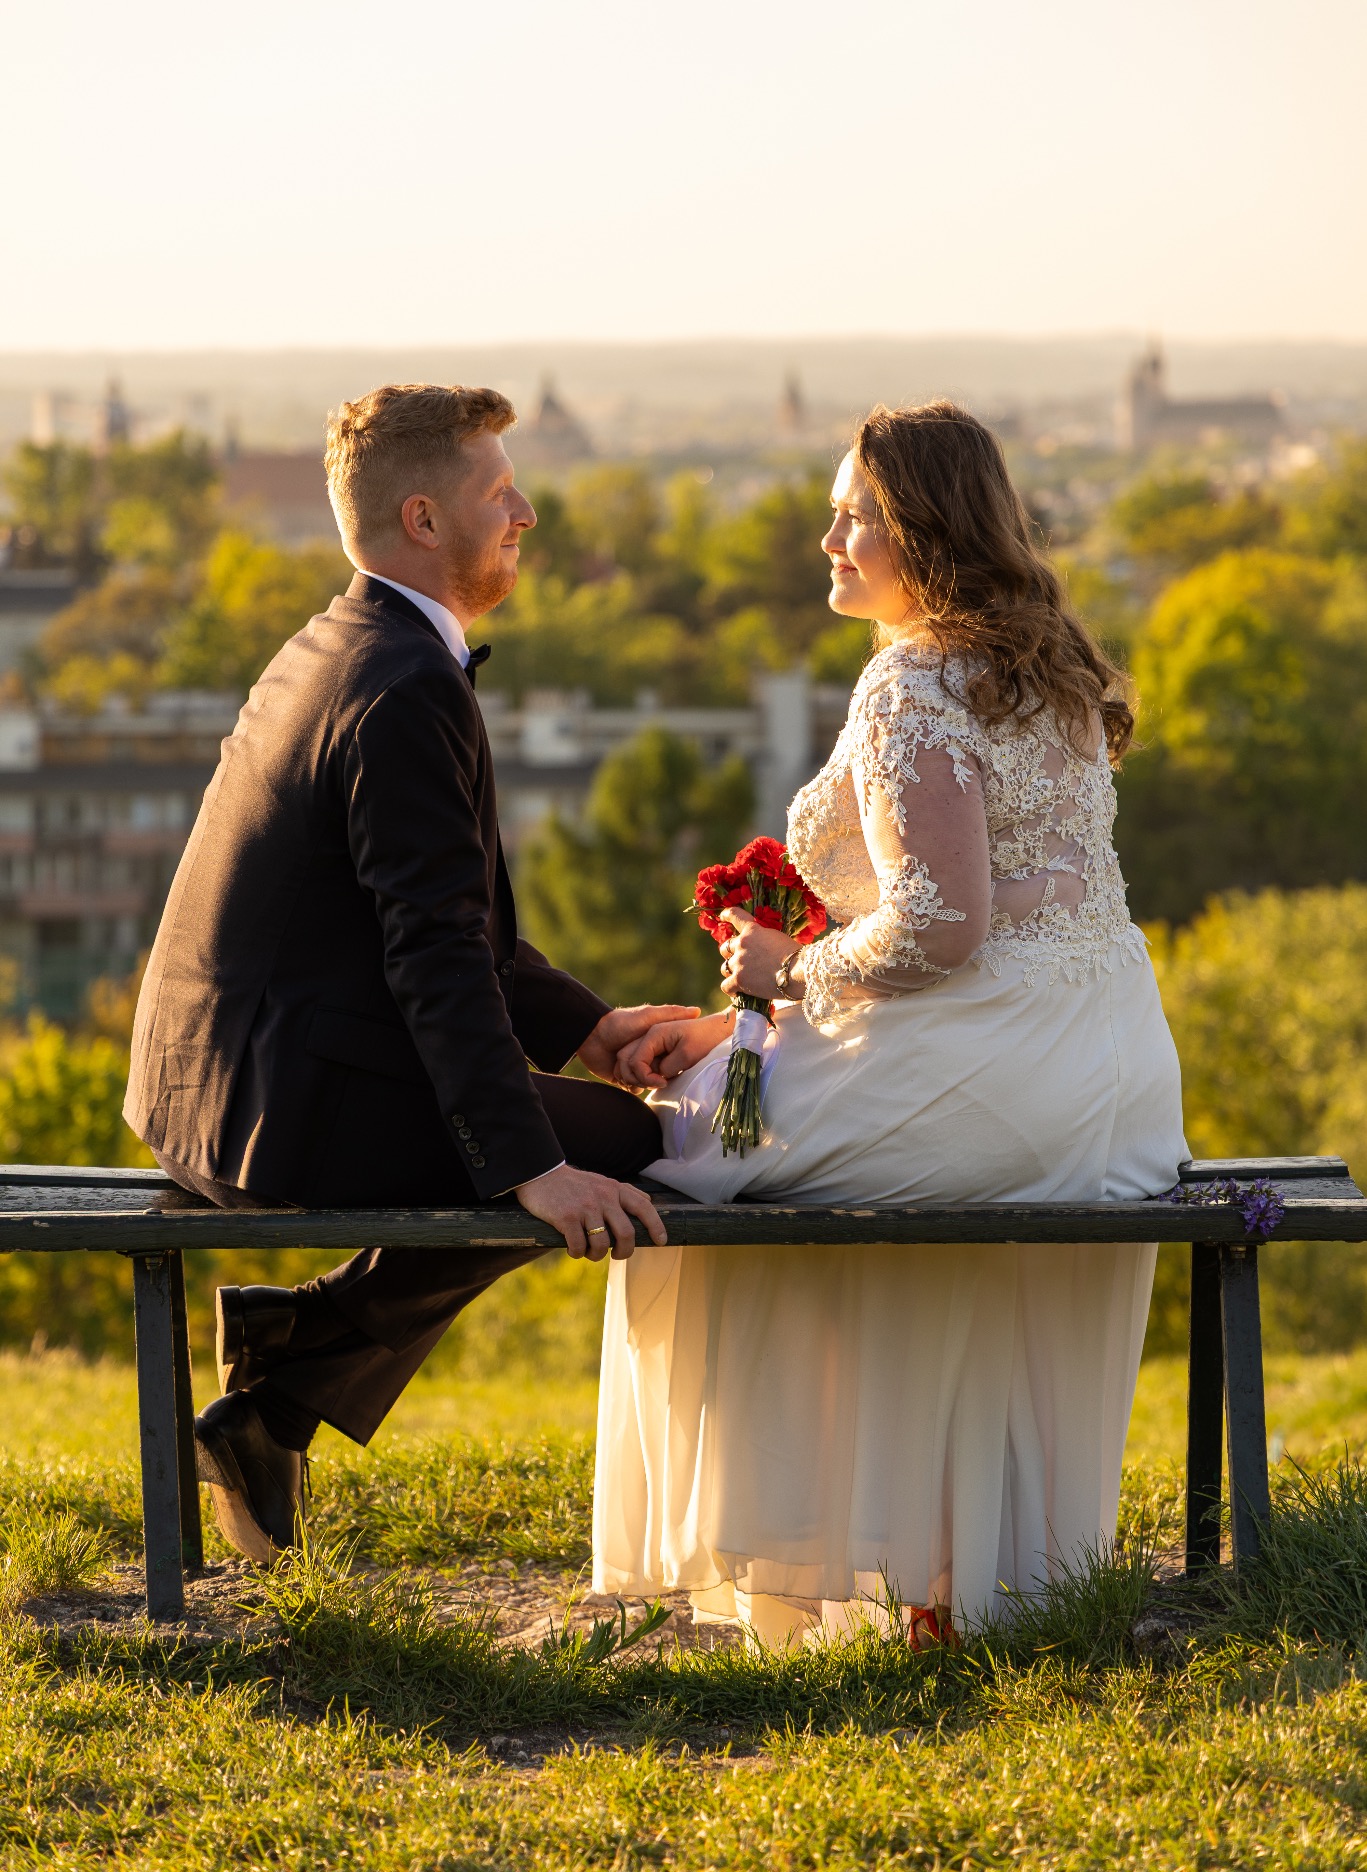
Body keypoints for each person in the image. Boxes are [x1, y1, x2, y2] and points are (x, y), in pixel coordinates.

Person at [593, 401, 1188, 1646]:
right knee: (723, 1107)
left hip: (996, 1062)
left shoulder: (907, 683)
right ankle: (953, 1575)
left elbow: (937, 925)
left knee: (681, 1159)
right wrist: (732, 1020)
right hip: (1111, 1067)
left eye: (851, 514)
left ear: (920, 527)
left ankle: (821, 1552)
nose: (826, 537)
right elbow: (1032, 894)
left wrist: (784, 969)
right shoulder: (1047, 662)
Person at [124, 382, 694, 1562]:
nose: (525, 511)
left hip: (213, 1089)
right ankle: (284, 1378)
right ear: (425, 519)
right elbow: (431, 954)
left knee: (592, 1127)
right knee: (637, 1150)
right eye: (500, 492)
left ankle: (285, 1373)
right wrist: (535, 1166)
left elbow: (449, 932)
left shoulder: (342, 642)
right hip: (280, 1109)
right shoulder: (401, 683)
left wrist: (591, 1030)